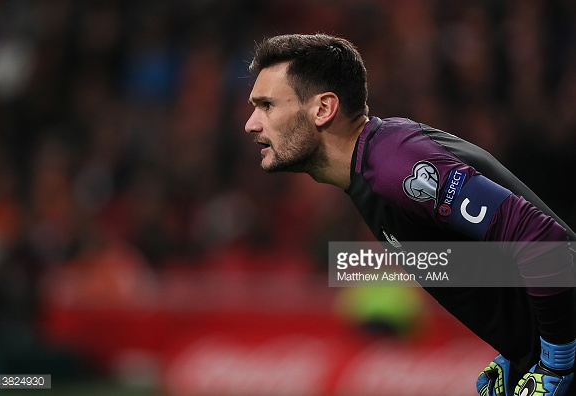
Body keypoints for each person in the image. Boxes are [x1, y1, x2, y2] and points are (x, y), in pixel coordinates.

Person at [244, 33, 576, 396]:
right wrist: (518, 351)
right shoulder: (370, 170)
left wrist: (556, 360)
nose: (251, 123)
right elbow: (496, 263)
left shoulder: (395, 166)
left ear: (323, 109)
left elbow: (544, 241)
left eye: (267, 106)